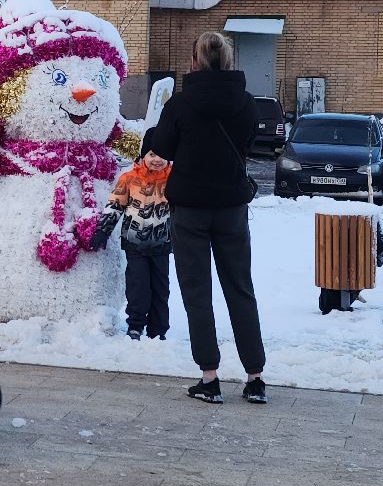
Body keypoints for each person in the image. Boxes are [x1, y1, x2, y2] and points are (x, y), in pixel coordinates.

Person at [151, 32, 268, 405]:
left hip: (189, 210)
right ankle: (255, 377)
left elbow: (162, 148)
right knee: (240, 289)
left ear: (194, 61)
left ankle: (210, 378)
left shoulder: (180, 104)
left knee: (197, 292)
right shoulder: (246, 102)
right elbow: (249, 143)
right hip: (232, 208)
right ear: (229, 60)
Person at [106, 128, 173, 341]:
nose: (157, 160)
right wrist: (102, 229)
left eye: (162, 155)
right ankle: (135, 325)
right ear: (144, 155)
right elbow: (115, 205)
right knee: (138, 287)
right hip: (135, 244)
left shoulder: (174, 180)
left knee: (161, 289)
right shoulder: (129, 179)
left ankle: (158, 329)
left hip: (161, 244)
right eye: (152, 154)